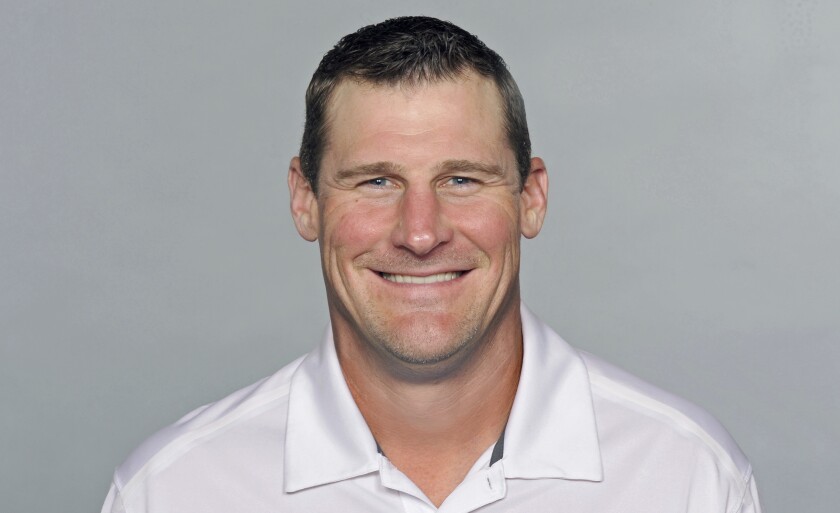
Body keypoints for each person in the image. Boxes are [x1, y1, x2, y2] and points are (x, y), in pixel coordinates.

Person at [101, 16, 761, 513]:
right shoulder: (173, 490)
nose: (420, 233)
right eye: (376, 181)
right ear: (306, 202)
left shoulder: (687, 478)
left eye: (462, 179)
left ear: (531, 198)